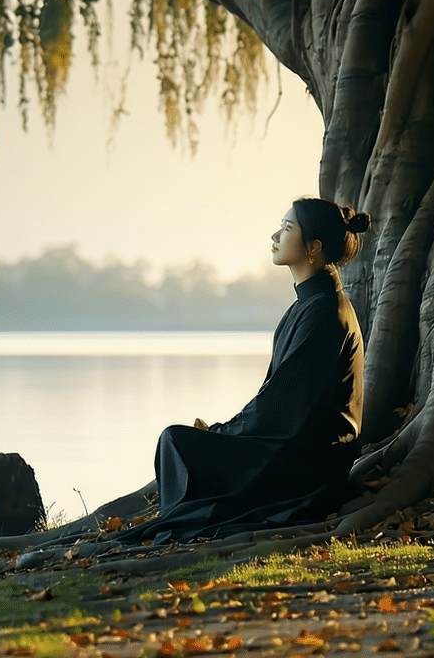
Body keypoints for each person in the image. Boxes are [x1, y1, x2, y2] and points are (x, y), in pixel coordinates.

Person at [129, 197, 372, 544]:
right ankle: (183, 521)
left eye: (288, 228)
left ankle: (182, 526)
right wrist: (224, 431)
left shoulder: (323, 313)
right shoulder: (312, 303)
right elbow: (278, 398)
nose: (275, 235)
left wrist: (222, 432)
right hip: (300, 444)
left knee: (176, 441)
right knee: (182, 443)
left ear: (313, 247)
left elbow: (280, 407)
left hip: (309, 462)